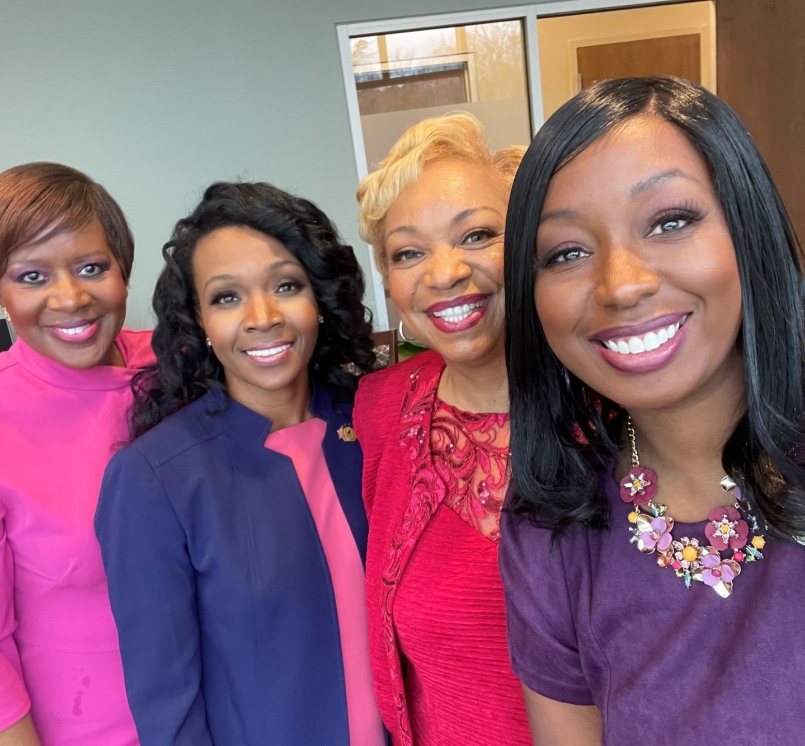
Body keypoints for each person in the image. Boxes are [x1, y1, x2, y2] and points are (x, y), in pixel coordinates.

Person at [500, 76, 805, 745]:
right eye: (566, 252)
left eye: (670, 222)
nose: (621, 284)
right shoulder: (549, 528)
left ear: (746, 228)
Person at [95, 182, 384, 746]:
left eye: (286, 285)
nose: (262, 316)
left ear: (318, 299)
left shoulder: (376, 425)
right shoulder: (154, 478)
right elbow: (166, 703)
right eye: (227, 297)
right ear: (198, 319)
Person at [354, 113, 531, 745]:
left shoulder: (614, 409)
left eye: (477, 234)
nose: (444, 272)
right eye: (408, 252)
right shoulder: (381, 406)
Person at [0, 162, 148, 746]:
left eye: (92, 267)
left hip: (216, 720)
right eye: (31, 276)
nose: (71, 297)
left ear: (123, 271)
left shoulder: (180, 369)